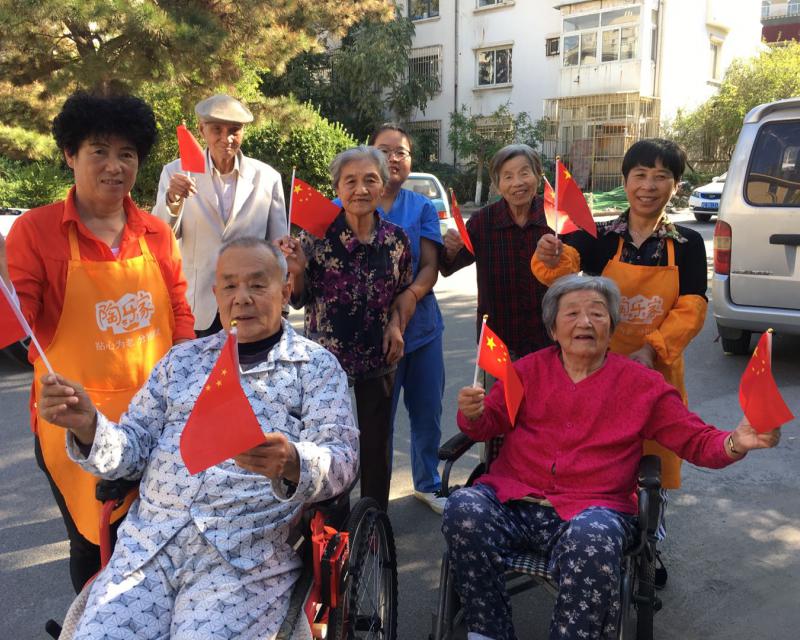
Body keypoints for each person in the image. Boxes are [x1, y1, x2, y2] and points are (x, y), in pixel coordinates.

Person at [38, 238, 359, 640]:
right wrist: (89, 427)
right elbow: (132, 447)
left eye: (257, 285)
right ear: (216, 294)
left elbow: (342, 457)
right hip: (149, 549)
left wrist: (294, 461)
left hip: (243, 556)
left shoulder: (315, 368)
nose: (242, 298)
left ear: (285, 290)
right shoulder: (180, 362)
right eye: (230, 286)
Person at [443, 274, 780, 640]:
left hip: (593, 510)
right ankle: (488, 630)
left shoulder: (643, 386)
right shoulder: (525, 371)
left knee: (593, 536)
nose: (585, 322)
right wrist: (472, 414)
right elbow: (487, 424)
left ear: (611, 327)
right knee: (463, 506)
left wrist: (735, 442)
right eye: (572, 313)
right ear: (553, 329)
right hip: (513, 502)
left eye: (597, 313)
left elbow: (695, 440)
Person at [0, 91, 195, 593]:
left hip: (153, 420)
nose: (115, 166)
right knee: (94, 547)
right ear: (70, 154)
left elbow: (179, 314)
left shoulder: (156, 233)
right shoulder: (36, 231)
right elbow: (16, 318)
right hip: (75, 425)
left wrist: (190, 383)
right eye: (99, 151)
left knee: (157, 540)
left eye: (126, 154)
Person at [531, 138, 708, 586]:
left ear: (676, 185)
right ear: (626, 181)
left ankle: (649, 546)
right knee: (603, 458)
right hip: (599, 371)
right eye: (640, 175)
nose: (649, 186)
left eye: (661, 177)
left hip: (656, 371)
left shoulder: (687, 243)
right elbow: (563, 271)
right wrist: (550, 254)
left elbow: (692, 308)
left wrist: (652, 349)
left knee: (653, 464)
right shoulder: (601, 235)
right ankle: (590, 534)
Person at [279, 146, 412, 511]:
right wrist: (296, 271)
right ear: (337, 188)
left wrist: (397, 325)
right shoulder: (315, 237)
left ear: (383, 185)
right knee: (327, 446)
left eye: (370, 180)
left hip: (379, 357)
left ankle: (374, 524)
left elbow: (403, 292)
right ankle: (330, 525)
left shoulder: (397, 240)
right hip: (326, 361)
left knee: (376, 446)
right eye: (350, 181)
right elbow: (298, 300)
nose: (360, 189)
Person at [152, 94, 288, 336]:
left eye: (234, 130)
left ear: (243, 131)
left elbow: (278, 247)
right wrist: (172, 198)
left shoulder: (267, 178)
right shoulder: (177, 172)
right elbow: (161, 234)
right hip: (198, 306)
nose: (226, 138)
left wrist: (281, 303)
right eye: (217, 129)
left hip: (249, 305)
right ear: (201, 130)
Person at [371, 123, 446, 513]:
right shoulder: (346, 203)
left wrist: (411, 296)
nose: (393, 158)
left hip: (422, 327)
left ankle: (427, 483)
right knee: (378, 419)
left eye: (400, 152)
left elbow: (431, 265)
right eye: (384, 150)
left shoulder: (422, 207)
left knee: (427, 411)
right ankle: (374, 497)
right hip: (374, 335)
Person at [440, 143, 552, 360]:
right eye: (508, 176)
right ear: (497, 185)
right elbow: (449, 266)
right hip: (497, 340)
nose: (517, 183)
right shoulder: (482, 222)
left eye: (524, 173)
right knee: (497, 385)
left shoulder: (555, 218)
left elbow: (575, 270)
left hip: (549, 338)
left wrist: (560, 257)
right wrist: (451, 249)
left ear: (538, 177)